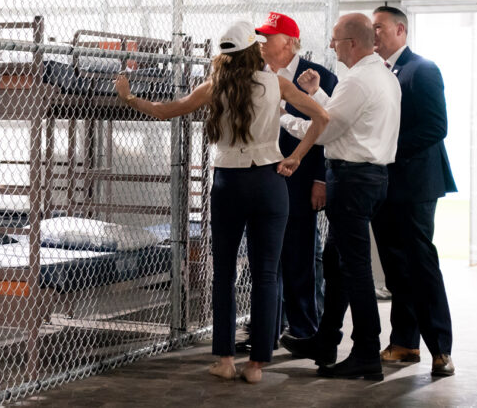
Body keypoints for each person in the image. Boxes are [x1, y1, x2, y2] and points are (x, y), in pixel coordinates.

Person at [115, 21, 328, 384]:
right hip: (270, 180)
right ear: (252, 51)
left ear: (223, 56)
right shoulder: (276, 84)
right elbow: (322, 116)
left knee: (224, 273)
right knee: (265, 273)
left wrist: (129, 97)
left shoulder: (213, 87)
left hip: (229, 183)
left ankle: (226, 360)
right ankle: (257, 365)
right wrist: (295, 158)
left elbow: (167, 111)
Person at [279, 13, 401, 380]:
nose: (330, 46)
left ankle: (366, 353)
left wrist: (281, 114)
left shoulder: (359, 80)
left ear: (352, 43)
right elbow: (346, 118)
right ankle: (325, 339)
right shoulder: (377, 75)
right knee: (334, 261)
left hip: (352, 181)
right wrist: (317, 93)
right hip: (370, 178)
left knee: (354, 269)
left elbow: (326, 129)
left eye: (335, 39)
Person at [371, 5, 457, 377]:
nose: (373, 35)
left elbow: (436, 127)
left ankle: (440, 348)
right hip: (384, 184)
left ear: (400, 31)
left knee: (421, 265)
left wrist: (388, 149)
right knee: (396, 269)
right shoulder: (375, 73)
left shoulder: (422, 69)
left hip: (417, 183)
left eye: (379, 28)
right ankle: (405, 343)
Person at [256, 12, 338, 343]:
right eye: (260, 37)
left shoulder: (319, 76)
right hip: (262, 179)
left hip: (301, 180)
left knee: (300, 255)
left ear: (289, 42)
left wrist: (321, 180)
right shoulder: (255, 76)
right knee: (264, 259)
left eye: (268, 37)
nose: (261, 43)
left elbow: (329, 130)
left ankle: (304, 327)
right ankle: (267, 327)